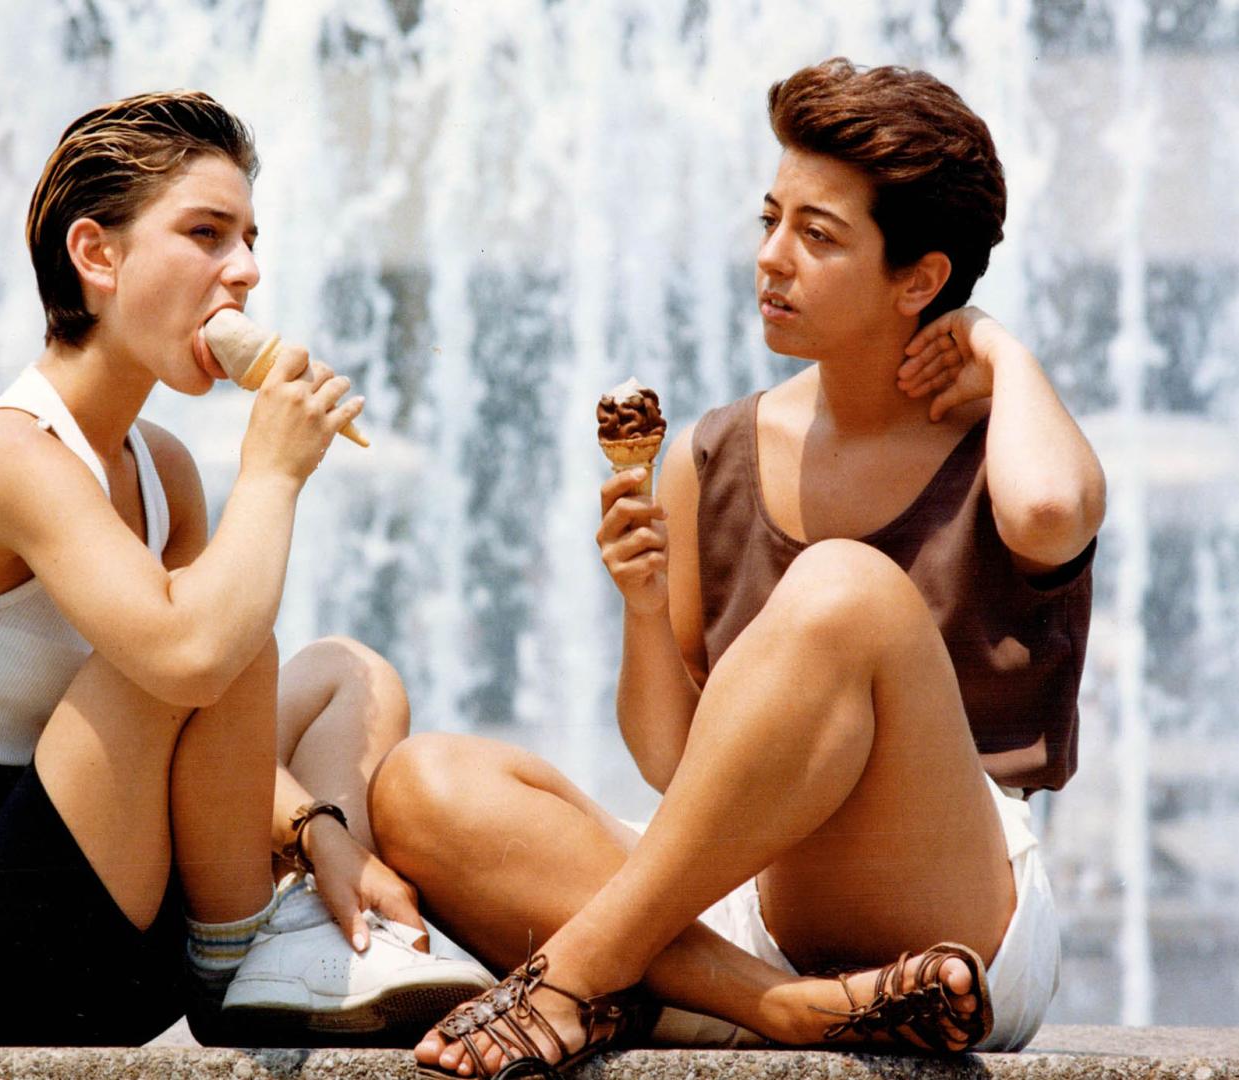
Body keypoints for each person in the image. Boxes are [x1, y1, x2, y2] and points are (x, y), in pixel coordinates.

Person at [369, 58, 1104, 1075]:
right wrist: (638, 607)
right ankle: (793, 1010)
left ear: (921, 280)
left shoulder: (1009, 444)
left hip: (957, 913)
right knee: (421, 782)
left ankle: (583, 973)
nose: (771, 258)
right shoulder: (715, 456)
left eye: (818, 235)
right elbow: (680, 770)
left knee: (845, 588)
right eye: (770, 221)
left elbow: (1054, 512)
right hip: (756, 906)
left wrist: (1005, 352)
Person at [0, 90, 490, 1047]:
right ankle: (246, 955)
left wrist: (320, 833)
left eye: (247, 238)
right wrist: (273, 471)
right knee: (200, 631)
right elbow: (190, 662)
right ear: (97, 256)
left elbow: (216, 685)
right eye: (206, 233)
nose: (245, 270)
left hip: (118, 901)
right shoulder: (12, 455)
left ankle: (289, 927)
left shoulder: (163, 468)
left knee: (347, 674)